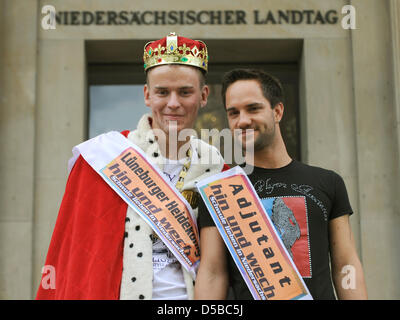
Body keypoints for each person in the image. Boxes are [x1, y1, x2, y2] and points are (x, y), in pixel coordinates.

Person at [36, 32, 227, 300]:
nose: (173, 103)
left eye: (185, 92)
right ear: (147, 95)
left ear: (204, 95)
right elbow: (78, 255)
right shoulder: (104, 158)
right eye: (162, 92)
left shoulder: (219, 170)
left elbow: (220, 269)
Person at [195, 68, 368, 300]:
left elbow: (346, 264)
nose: (243, 120)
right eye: (233, 113)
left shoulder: (328, 182)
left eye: (253, 108)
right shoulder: (219, 191)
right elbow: (213, 273)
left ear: (277, 111)